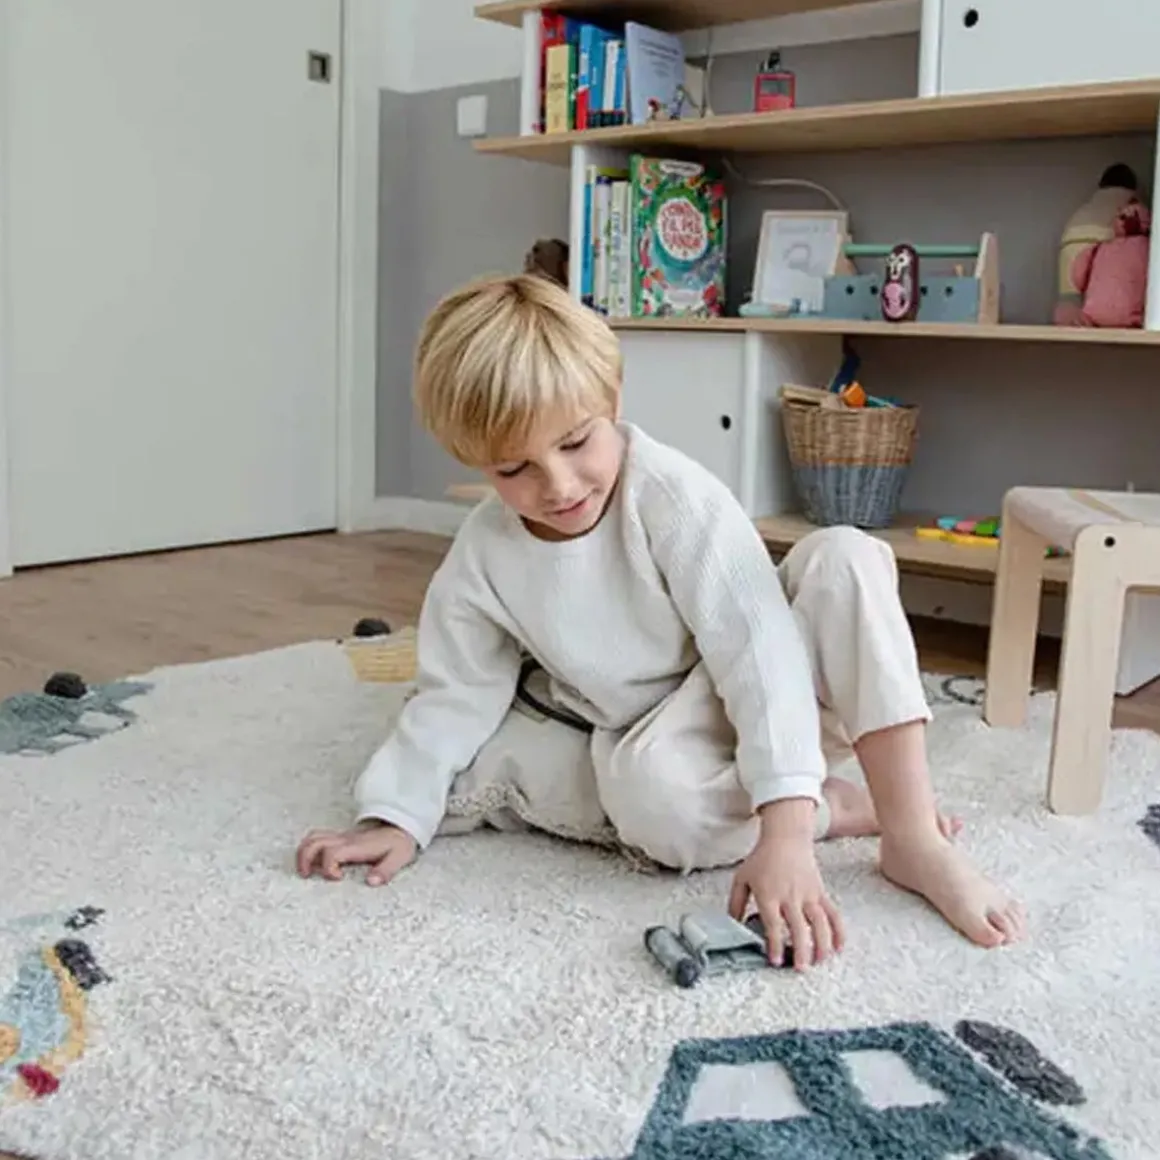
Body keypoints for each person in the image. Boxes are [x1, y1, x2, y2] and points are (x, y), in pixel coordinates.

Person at [297, 273, 1025, 968]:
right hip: (671, 733)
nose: (558, 485)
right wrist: (395, 814)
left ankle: (908, 832)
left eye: (576, 442)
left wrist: (787, 834)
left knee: (848, 556)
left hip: (786, 683)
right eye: (513, 469)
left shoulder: (672, 497)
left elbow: (756, 646)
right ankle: (831, 803)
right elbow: (454, 692)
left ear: (612, 396)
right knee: (646, 802)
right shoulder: (485, 555)